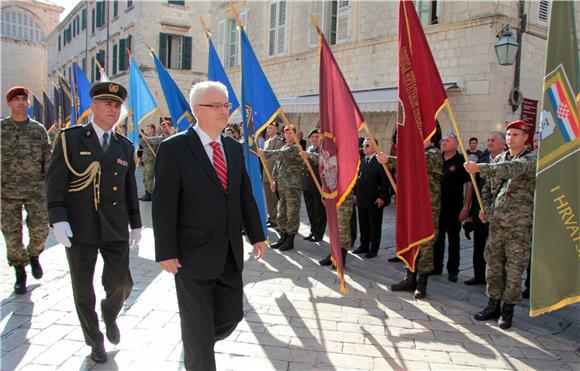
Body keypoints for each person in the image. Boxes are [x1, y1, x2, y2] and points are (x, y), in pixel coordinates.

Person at [153, 81, 266, 370]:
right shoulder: (174, 148)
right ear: (196, 110)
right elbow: (163, 205)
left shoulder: (232, 147)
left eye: (226, 105)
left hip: (228, 253)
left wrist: (257, 235)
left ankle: (197, 339)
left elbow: (243, 195)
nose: (223, 111)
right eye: (215, 105)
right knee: (199, 334)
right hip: (190, 256)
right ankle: (197, 345)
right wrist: (166, 251)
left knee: (231, 316)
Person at [46, 82, 142, 363]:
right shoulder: (70, 139)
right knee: (83, 289)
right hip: (79, 225)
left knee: (121, 283)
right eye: (108, 104)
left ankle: (110, 314)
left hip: (114, 225)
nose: (113, 110)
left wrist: (136, 224)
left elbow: (128, 189)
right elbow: (55, 183)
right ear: (94, 107)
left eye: (117, 106)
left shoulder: (124, 145)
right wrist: (57, 218)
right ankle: (94, 340)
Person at [464, 120, 536, 330]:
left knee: (514, 269)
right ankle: (492, 305)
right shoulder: (499, 158)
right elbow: (487, 188)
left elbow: (510, 170)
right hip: (496, 225)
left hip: (518, 227)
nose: (511, 138)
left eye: (515, 134)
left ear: (524, 138)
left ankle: (507, 311)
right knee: (493, 266)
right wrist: (485, 208)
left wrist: (480, 167)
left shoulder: (529, 159)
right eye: (509, 134)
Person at [378, 138, 443, 299]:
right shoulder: (415, 154)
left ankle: (422, 284)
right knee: (411, 241)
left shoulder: (434, 154)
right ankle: (409, 279)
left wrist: (391, 160)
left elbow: (418, 163)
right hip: (412, 206)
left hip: (428, 207)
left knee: (426, 245)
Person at [1, 86, 51, 294]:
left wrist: (52, 189)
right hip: (6, 193)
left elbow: (47, 161)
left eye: (24, 99)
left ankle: (34, 255)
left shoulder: (38, 130)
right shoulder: (2, 129)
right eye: (17, 99)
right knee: (12, 236)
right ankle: (20, 271)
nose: (21, 102)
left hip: (35, 191)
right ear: (9, 103)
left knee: (41, 230)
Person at [463, 131, 506, 286]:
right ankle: (479, 275)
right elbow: (474, 188)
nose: (489, 142)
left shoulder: (508, 162)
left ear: (503, 143)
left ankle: (496, 279)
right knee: (479, 244)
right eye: (487, 139)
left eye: (493, 140)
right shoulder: (482, 160)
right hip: (480, 211)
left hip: (501, 214)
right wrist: (469, 209)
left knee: (498, 249)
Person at [432, 132, 472, 282]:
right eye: (443, 140)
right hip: (437, 207)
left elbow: (469, 185)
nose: (443, 143)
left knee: (454, 240)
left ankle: (453, 270)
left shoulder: (462, 161)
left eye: (447, 141)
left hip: (454, 208)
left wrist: (466, 207)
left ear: (456, 143)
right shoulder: (437, 159)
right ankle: (436, 266)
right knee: (437, 238)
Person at [260, 125, 303, 252]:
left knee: (292, 213)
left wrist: (264, 152)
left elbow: (280, 154)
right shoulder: (285, 146)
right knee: (282, 213)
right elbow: (277, 166)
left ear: (295, 134)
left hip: (292, 187)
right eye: (286, 132)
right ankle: (283, 237)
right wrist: (273, 180)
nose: (288, 135)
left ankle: (290, 240)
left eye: (290, 132)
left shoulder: (296, 148)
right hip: (282, 186)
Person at [352, 138, 388, 259]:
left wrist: (382, 197)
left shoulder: (380, 161)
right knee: (363, 224)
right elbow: (358, 178)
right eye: (363, 145)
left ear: (374, 147)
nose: (364, 147)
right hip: (362, 198)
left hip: (374, 199)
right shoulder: (362, 161)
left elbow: (385, 181)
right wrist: (355, 194)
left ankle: (373, 249)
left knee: (374, 225)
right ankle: (364, 245)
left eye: (367, 145)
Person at [301, 128, 326, 242]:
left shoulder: (324, 149)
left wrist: (309, 155)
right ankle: (313, 230)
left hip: (318, 185)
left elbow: (322, 160)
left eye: (317, 136)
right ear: (309, 139)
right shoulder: (309, 148)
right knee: (310, 210)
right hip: (308, 185)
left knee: (319, 211)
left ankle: (319, 233)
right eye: (313, 137)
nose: (315, 139)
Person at [262, 123, 284, 227]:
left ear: (276, 130)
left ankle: (275, 218)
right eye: (268, 128)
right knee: (268, 197)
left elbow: (276, 156)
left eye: (271, 128)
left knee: (274, 197)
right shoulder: (266, 142)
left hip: (273, 173)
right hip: (265, 173)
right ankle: (270, 216)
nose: (268, 130)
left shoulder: (279, 142)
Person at [139, 123, 165, 201]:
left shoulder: (158, 137)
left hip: (152, 160)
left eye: (149, 128)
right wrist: (143, 138)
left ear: (153, 129)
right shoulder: (146, 137)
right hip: (146, 160)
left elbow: (156, 141)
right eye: (147, 129)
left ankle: (151, 194)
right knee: (145, 177)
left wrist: (147, 138)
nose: (148, 130)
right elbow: (141, 145)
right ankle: (147, 193)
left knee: (149, 177)